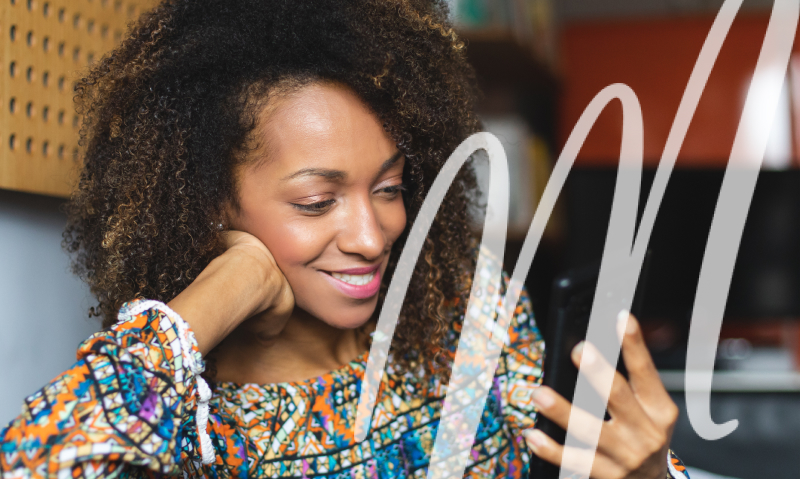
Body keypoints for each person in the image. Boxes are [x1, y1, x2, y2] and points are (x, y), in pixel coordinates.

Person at [0, 1, 689, 478]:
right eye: (316, 200)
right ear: (206, 200)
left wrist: (651, 469)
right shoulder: (189, 423)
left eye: (389, 187)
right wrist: (222, 288)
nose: (372, 234)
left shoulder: (462, 314)